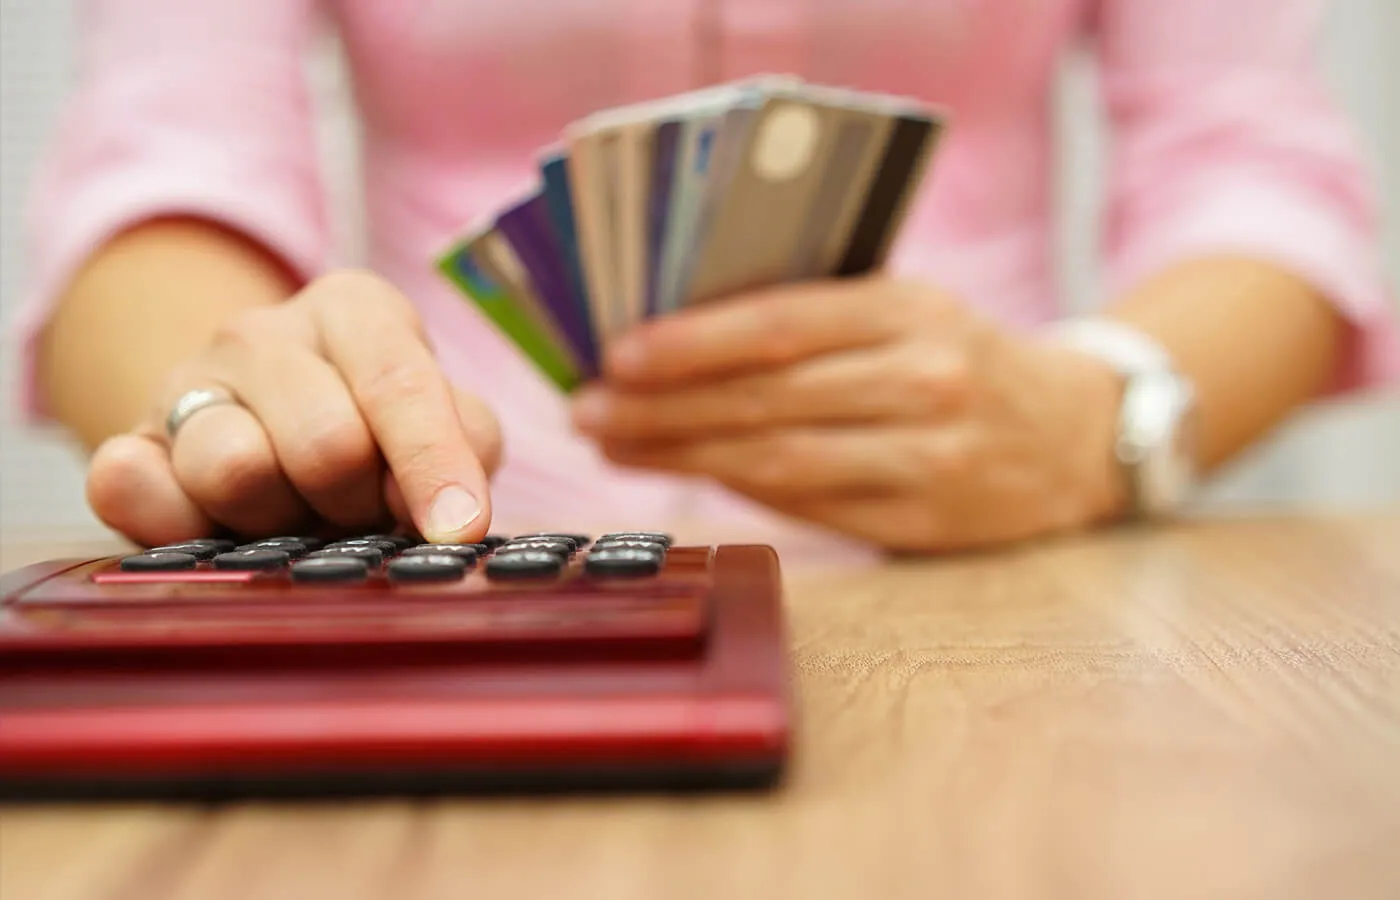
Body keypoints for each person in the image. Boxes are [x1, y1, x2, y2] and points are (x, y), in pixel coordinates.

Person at [12, 0, 1399, 555]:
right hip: (462, 580)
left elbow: (1259, 174)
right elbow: (164, 155)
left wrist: (1094, 424)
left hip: (1010, 569)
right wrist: (245, 405)